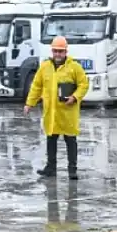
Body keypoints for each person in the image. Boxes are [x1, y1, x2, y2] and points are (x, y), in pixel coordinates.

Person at [24, 36, 89, 179]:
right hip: (51, 113)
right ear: (52, 51)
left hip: (68, 113)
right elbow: (36, 86)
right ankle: (50, 168)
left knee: (70, 141)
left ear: (66, 51)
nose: (58, 54)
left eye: (61, 51)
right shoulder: (45, 67)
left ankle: (72, 169)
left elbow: (84, 84)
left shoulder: (74, 67)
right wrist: (30, 103)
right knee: (51, 140)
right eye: (55, 51)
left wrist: (75, 97)